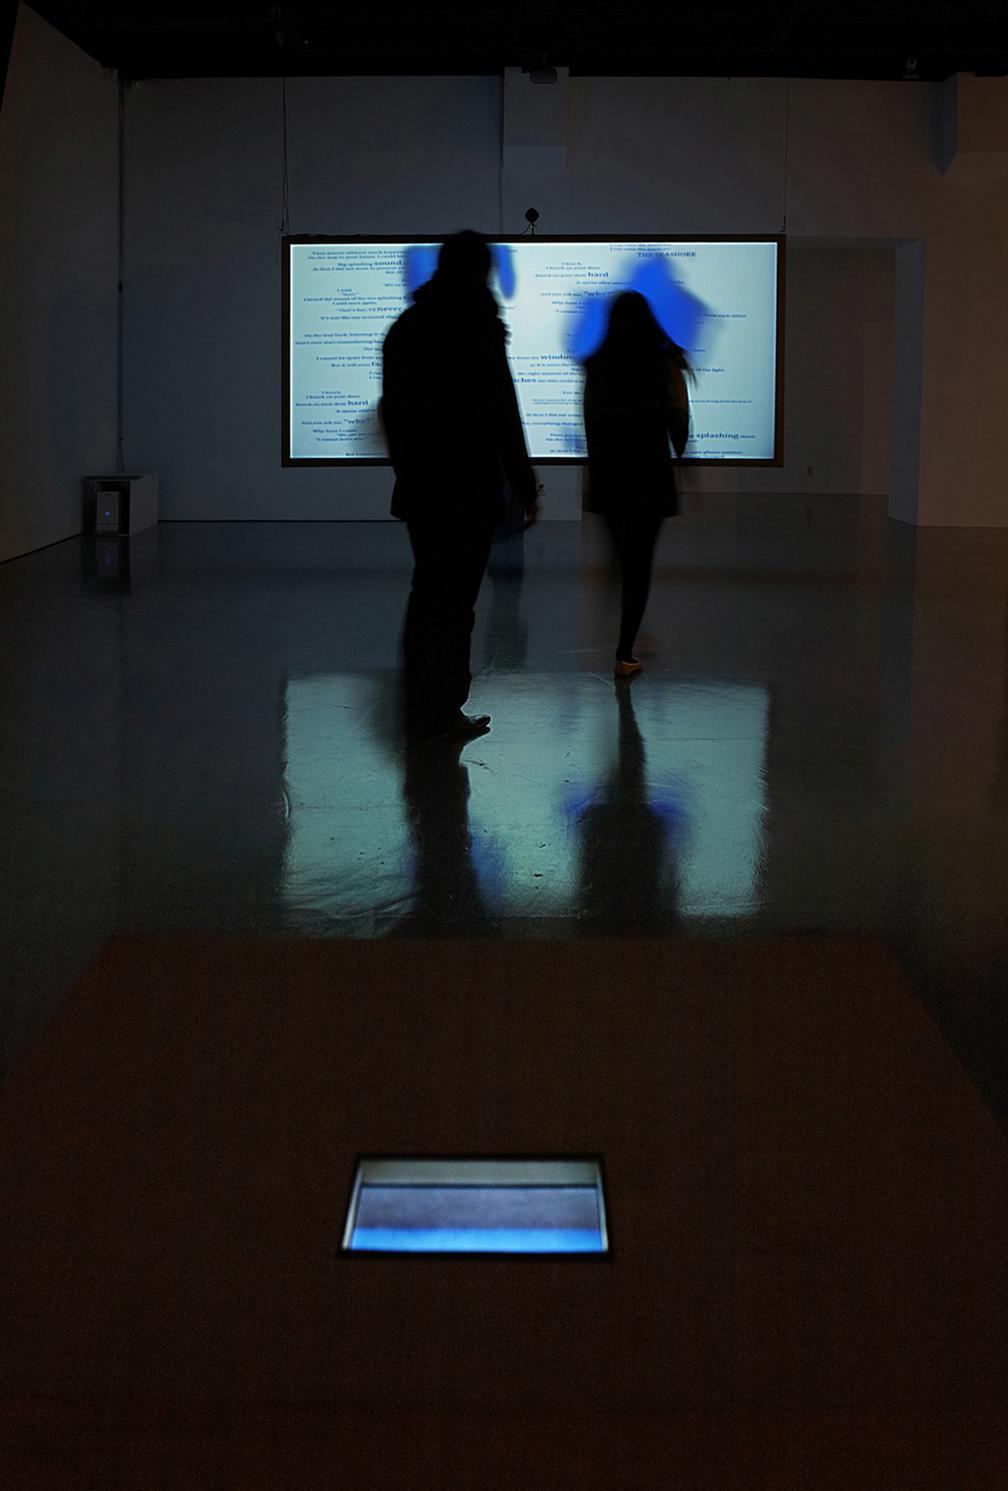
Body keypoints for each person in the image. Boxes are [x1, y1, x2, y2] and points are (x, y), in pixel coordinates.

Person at [381, 230, 540, 739]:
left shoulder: (406, 328)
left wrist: (409, 471)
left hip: (423, 489)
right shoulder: (480, 328)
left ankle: (415, 702)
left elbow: (393, 414)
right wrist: (525, 486)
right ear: (480, 272)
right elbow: (503, 413)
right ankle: (445, 709)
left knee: (427, 591)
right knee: (457, 605)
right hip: (469, 490)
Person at [582, 291, 691, 678]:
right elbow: (680, 427)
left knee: (624, 557)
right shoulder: (664, 364)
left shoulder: (597, 365)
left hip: (610, 477)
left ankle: (622, 624)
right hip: (650, 475)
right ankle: (624, 652)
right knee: (639, 565)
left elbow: (591, 425)